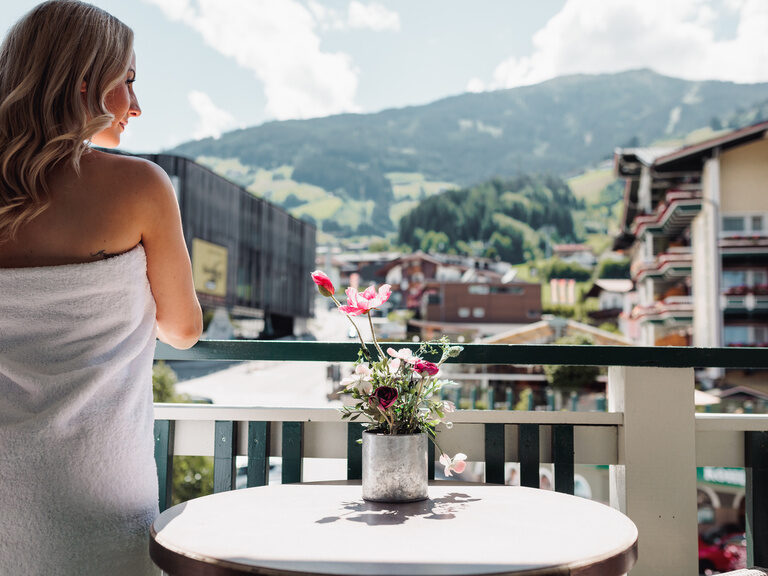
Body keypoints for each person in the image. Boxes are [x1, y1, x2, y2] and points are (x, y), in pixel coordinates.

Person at [0, 1, 202, 574]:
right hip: (94, 485)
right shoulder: (139, 187)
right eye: (128, 81)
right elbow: (183, 330)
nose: (136, 106)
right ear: (84, 82)